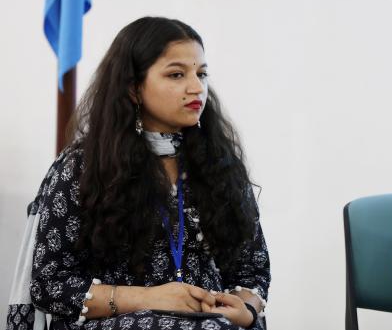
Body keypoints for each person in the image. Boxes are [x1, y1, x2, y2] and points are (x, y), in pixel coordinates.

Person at [28, 17, 270, 330]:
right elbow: (49, 284)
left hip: (212, 324)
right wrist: (150, 299)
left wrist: (245, 309)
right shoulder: (83, 167)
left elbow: (253, 270)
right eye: (176, 74)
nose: (196, 87)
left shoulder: (220, 165)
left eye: (202, 74)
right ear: (133, 88)